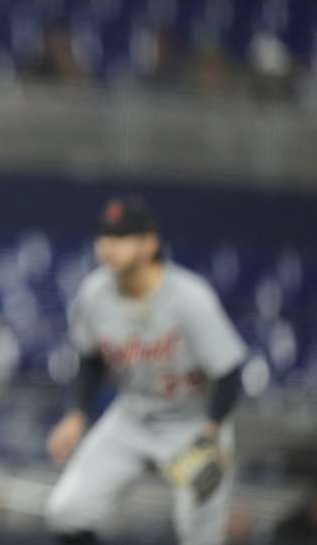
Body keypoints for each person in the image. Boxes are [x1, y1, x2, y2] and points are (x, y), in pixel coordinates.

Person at [45, 197, 247, 545]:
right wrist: (77, 413)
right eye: (105, 235)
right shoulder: (94, 293)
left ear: (149, 243)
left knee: (201, 536)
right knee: (65, 511)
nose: (109, 245)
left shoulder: (189, 297)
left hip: (193, 422)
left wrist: (212, 431)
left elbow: (230, 372)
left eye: (122, 236)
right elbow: (90, 359)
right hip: (133, 416)